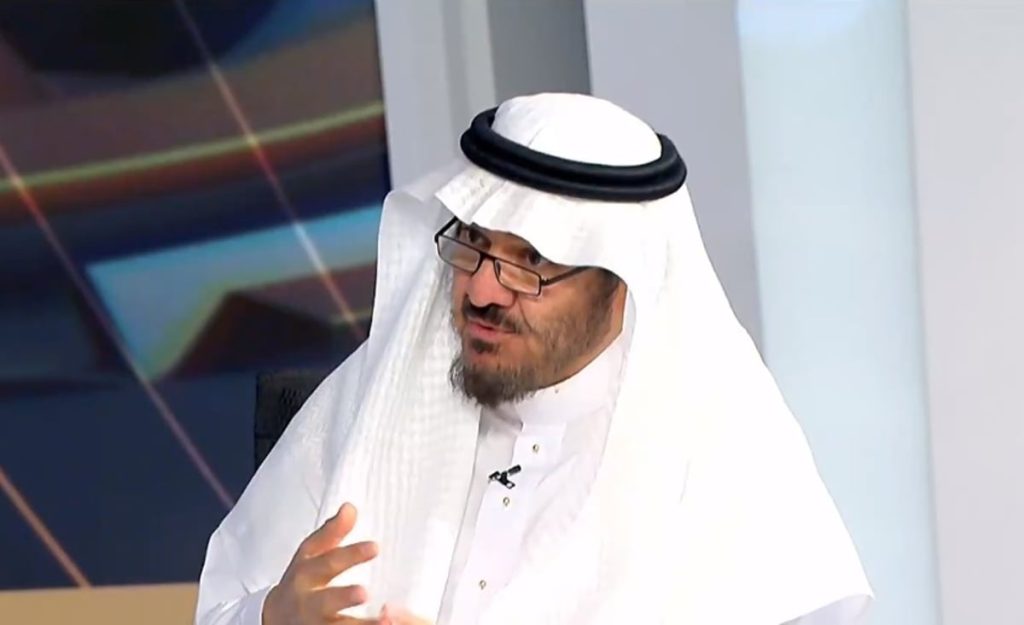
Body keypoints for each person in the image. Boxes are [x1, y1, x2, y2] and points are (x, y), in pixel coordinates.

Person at [195, 93, 872, 625]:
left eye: (532, 263)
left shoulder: (722, 460)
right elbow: (222, 606)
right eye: (474, 244)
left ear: (617, 282)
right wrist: (273, 616)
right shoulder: (373, 398)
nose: (482, 291)